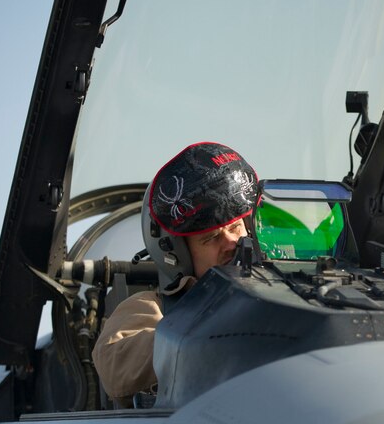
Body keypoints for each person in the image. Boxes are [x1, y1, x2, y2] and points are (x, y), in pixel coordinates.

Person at [93, 142, 259, 406]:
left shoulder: (284, 287)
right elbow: (114, 363)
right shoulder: (157, 306)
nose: (232, 243)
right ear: (177, 253)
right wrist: (207, 331)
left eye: (236, 227)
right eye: (212, 237)